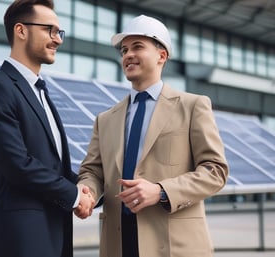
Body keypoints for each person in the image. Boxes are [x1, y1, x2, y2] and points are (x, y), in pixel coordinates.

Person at [76, 15, 229, 257]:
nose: (128, 55)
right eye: (124, 50)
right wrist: (87, 193)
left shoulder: (192, 106)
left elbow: (215, 170)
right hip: (118, 243)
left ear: (162, 56)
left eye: (138, 47)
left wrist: (161, 191)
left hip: (174, 245)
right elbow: (92, 172)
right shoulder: (105, 119)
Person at [0, 1, 94, 257]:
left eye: (59, 32)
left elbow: (54, 168)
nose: (57, 40)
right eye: (49, 30)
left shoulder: (41, 93)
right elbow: (17, 164)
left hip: (55, 234)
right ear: (21, 30)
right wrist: (74, 195)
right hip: (21, 239)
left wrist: (92, 190)